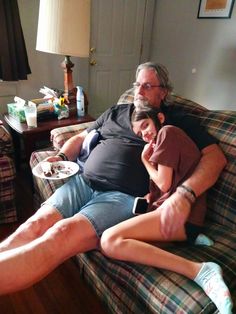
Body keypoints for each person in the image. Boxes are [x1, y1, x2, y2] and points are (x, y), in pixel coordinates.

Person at [0, 62, 226, 298]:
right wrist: (60, 156)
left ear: (164, 92)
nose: (139, 92)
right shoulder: (116, 112)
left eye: (148, 86)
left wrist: (185, 194)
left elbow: (215, 158)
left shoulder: (175, 121)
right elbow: (80, 138)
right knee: (33, 226)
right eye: (137, 84)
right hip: (83, 183)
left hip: (121, 198)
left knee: (60, 234)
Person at [100, 104, 232, 314]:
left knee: (109, 241)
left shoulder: (167, 133)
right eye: (139, 132)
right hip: (176, 216)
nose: (144, 134)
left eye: (145, 125)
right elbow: (166, 187)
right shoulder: (163, 139)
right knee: (117, 242)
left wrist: (144, 160)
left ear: (159, 117)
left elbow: (163, 183)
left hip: (181, 217)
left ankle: (202, 271)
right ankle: (190, 238)